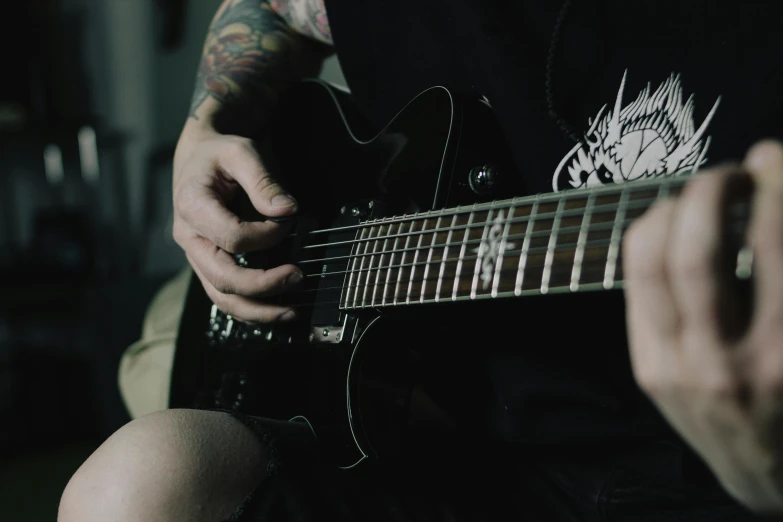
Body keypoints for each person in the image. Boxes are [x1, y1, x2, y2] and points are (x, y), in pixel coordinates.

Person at [59, 0, 783, 520]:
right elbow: (272, 10)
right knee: (136, 484)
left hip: (711, 472)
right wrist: (206, 124)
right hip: (453, 448)